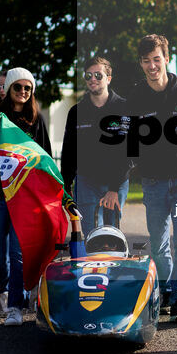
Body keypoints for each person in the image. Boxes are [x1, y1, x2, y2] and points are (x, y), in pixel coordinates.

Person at [0, 67, 51, 326]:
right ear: (9, 88)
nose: (23, 92)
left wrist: (51, 195)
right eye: (18, 87)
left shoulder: (36, 119)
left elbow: (45, 158)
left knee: (18, 254)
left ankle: (16, 306)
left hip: (24, 199)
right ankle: (1, 289)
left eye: (28, 88)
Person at [130, 34, 177, 322]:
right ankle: (168, 292)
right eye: (146, 61)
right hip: (153, 182)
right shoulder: (135, 96)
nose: (152, 66)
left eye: (156, 59)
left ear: (166, 59)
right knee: (158, 243)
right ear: (141, 63)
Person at [61, 57, 131, 234]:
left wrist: (114, 188)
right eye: (88, 75)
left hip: (116, 182)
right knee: (93, 234)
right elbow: (69, 151)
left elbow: (130, 151)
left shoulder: (124, 108)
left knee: (112, 235)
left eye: (98, 75)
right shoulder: (76, 112)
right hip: (86, 183)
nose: (93, 79)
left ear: (108, 78)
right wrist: (66, 185)